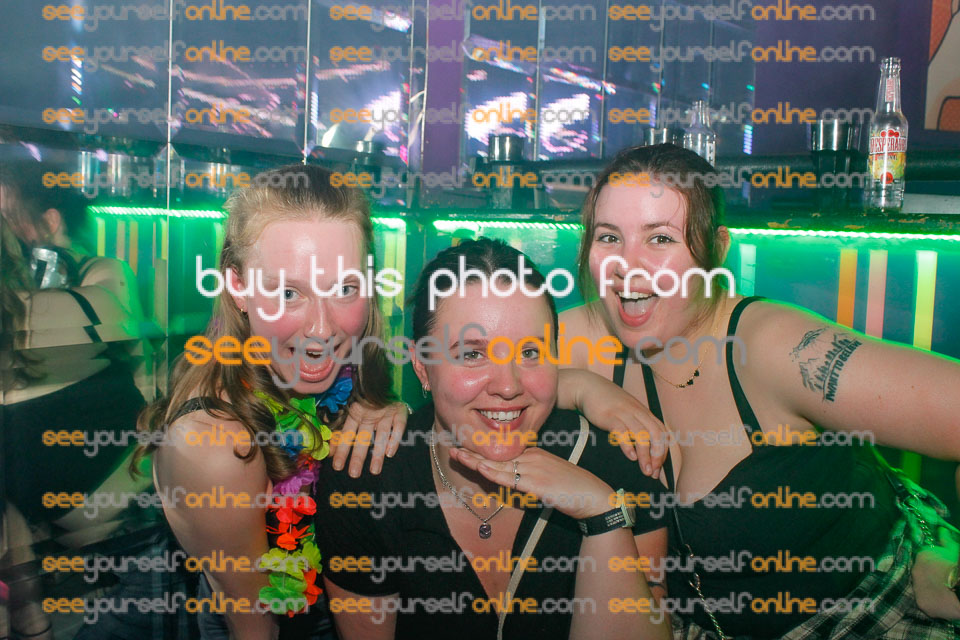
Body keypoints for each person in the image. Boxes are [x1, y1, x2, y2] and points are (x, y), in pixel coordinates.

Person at [560, 143, 960, 638]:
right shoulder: (590, 335)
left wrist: (952, 572)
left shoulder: (773, 347)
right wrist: (579, 387)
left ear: (717, 249)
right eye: (608, 237)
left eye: (660, 238)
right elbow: (478, 372)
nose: (628, 266)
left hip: (870, 614)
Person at [314, 238, 672, 640]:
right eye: (472, 354)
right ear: (422, 366)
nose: (508, 385)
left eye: (531, 352)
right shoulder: (368, 483)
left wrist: (602, 515)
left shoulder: (616, 464)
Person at [1, 163, 150, 640]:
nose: (6, 232)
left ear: (49, 221)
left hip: (123, 486)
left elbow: (136, 360)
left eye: (9, 218)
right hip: (51, 501)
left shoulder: (102, 272)